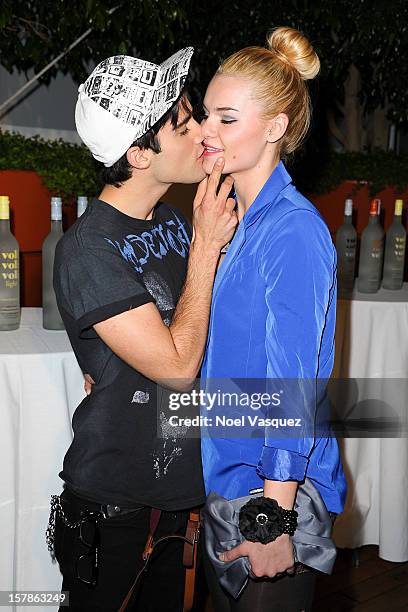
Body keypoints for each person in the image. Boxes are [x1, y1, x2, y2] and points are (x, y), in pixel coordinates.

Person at [50, 48, 237, 611]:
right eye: (182, 124)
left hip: (181, 498)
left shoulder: (176, 219)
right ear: (137, 153)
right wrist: (207, 248)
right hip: (120, 509)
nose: (201, 130)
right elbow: (179, 366)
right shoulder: (88, 249)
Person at [197, 27, 347, 611]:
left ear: (276, 129)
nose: (207, 131)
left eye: (227, 119)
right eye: (208, 114)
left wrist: (270, 521)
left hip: (273, 495)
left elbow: (292, 387)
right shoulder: (229, 217)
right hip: (230, 482)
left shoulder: (293, 230)